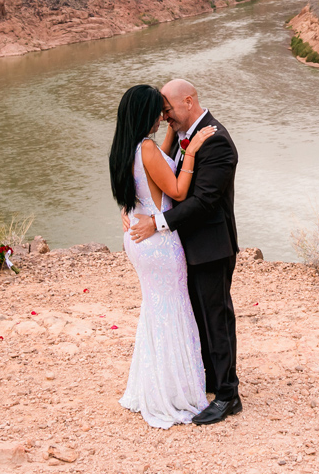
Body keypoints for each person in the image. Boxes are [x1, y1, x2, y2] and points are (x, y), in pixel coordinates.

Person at [128, 79, 241, 425]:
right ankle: (209, 379)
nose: (165, 116)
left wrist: (157, 223)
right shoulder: (180, 137)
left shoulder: (216, 140)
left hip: (210, 246)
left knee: (216, 318)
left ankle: (228, 395)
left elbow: (204, 202)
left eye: (168, 109)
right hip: (183, 247)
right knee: (197, 317)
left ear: (188, 101)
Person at [108, 84, 216, 429]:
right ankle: (172, 393)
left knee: (155, 312)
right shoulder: (148, 149)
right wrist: (194, 149)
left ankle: (151, 385)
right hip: (159, 241)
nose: (162, 115)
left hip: (136, 237)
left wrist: (174, 129)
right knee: (172, 312)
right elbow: (178, 191)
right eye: (158, 110)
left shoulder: (124, 148)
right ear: (145, 114)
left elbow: (151, 170)